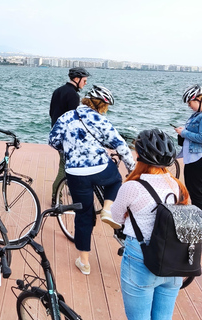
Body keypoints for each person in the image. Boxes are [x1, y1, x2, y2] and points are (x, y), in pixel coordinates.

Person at [49, 85, 134, 275]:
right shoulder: (100, 119)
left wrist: (69, 150)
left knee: (84, 216)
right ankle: (107, 208)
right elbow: (120, 145)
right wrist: (133, 169)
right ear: (102, 106)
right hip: (100, 167)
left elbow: (53, 140)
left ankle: (84, 262)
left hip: (76, 173)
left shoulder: (66, 117)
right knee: (115, 180)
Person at [112, 129, 188, 320]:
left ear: (138, 155)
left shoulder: (132, 186)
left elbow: (116, 218)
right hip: (173, 259)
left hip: (141, 256)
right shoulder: (177, 185)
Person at [49, 67, 90, 206]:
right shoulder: (73, 95)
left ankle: (69, 188)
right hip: (66, 137)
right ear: (76, 79)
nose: (85, 83)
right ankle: (56, 198)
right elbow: (74, 120)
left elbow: (51, 112)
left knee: (68, 164)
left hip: (56, 133)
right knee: (64, 166)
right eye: (84, 80)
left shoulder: (58, 91)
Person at [175, 84, 202, 210]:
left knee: (196, 194)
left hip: (197, 159)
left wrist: (183, 133)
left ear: (199, 99)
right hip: (193, 158)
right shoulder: (196, 115)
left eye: (190, 102)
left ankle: (199, 224)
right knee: (195, 192)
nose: (189, 105)